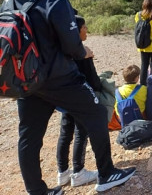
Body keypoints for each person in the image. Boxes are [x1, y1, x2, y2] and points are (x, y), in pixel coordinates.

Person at [2, 0, 135, 195]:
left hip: (27, 79)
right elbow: (72, 46)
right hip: (60, 79)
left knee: (29, 137)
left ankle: (37, 191)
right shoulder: (55, 1)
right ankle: (106, 173)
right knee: (95, 113)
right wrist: (83, 51)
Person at [56, 16, 101, 188]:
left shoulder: (61, 51)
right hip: (80, 97)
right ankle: (79, 172)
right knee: (81, 132)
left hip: (64, 97)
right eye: (84, 27)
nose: (87, 29)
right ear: (77, 30)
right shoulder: (83, 51)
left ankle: (62, 173)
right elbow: (93, 81)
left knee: (65, 133)